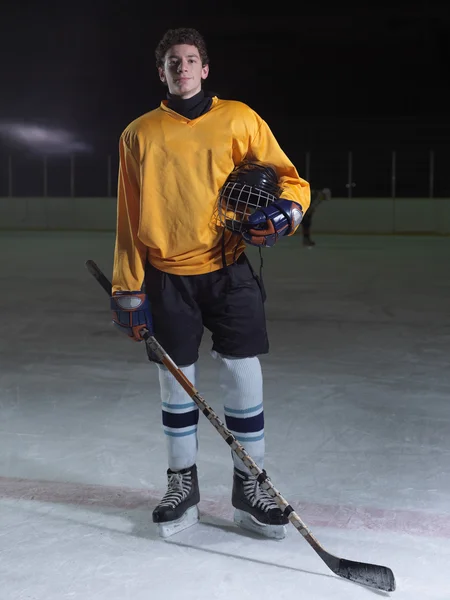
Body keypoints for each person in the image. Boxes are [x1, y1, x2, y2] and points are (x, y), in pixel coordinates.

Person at [110, 27, 310, 539]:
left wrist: (288, 211)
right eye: (172, 61)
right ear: (162, 72)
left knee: (244, 373)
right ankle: (183, 485)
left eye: (191, 59)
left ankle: (251, 485)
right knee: (176, 383)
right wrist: (126, 286)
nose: (182, 67)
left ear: (205, 68)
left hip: (229, 269)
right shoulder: (139, 133)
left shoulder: (239, 119)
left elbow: (291, 180)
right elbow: (128, 218)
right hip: (166, 276)